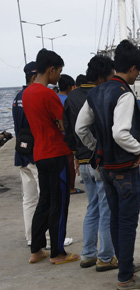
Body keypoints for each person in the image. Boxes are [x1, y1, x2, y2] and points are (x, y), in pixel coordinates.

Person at [76, 40, 140, 290]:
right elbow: (121, 133)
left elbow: (80, 128)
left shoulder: (95, 92)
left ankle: (124, 266)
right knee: (128, 222)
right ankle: (126, 277)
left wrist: (97, 147)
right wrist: (139, 149)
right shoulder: (125, 94)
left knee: (115, 219)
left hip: (106, 169)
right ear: (131, 69)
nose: (137, 77)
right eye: (137, 72)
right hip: (125, 170)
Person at [23, 48, 80, 265]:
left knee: (44, 202)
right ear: (51, 69)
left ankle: (36, 249)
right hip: (57, 153)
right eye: (58, 72)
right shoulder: (49, 94)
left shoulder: (27, 93)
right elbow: (63, 124)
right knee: (60, 203)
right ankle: (58, 252)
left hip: (39, 153)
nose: (58, 77)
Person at [65, 55, 120, 271]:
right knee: (107, 210)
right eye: (110, 76)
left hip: (83, 161)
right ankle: (106, 257)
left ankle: (88, 254)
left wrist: (77, 156)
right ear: (101, 77)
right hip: (100, 159)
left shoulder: (71, 97)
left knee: (92, 208)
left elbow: (70, 132)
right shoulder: (102, 94)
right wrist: (98, 147)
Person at [12, 62, 39, 246]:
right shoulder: (33, 96)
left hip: (21, 153)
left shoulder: (17, 98)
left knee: (28, 199)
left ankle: (31, 237)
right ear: (34, 76)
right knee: (45, 198)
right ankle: (45, 238)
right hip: (36, 154)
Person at [57, 74, 81, 195]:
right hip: (67, 136)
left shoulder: (54, 98)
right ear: (70, 87)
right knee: (69, 163)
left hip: (56, 137)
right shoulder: (68, 100)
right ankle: (71, 187)